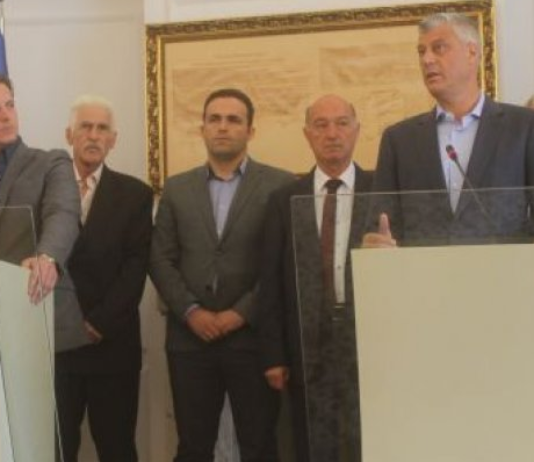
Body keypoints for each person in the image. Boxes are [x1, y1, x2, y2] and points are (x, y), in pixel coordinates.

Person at [149, 88, 294, 462]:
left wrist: (241, 313)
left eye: (233, 120)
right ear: (202, 129)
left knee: (260, 446)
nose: (223, 127)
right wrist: (192, 312)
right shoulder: (176, 188)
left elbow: (282, 263)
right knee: (193, 447)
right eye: (214, 119)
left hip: (252, 339)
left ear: (250, 130)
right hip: (190, 339)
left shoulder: (280, 186)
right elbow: (160, 259)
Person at [259, 94, 373, 462]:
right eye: (321, 125)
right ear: (307, 134)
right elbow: (271, 282)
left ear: (357, 131)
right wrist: (274, 355)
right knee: (312, 442)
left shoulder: (382, 189)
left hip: (368, 340)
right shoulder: (283, 199)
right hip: (305, 343)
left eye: (342, 123)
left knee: (367, 438)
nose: (332, 134)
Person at [365, 12, 534, 247]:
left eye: (439, 48)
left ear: (472, 53)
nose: (427, 60)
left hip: (505, 268)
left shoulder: (524, 127)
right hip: (423, 269)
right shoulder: (399, 140)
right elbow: (380, 226)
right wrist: (376, 243)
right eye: (421, 51)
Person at [54, 95, 153, 462]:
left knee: (116, 448)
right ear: (69, 135)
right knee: (57, 448)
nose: (93, 135)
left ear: (113, 139)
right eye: (85, 127)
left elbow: (135, 269)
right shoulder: (46, 190)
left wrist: (97, 324)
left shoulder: (135, 195)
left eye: (102, 129)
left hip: (111, 346)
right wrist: (65, 325)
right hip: (58, 347)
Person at [0, 75, 84, 350]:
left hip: (37, 312)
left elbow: (63, 212)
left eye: (10, 105)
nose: (5, 116)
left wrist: (48, 257)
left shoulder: (51, 162)